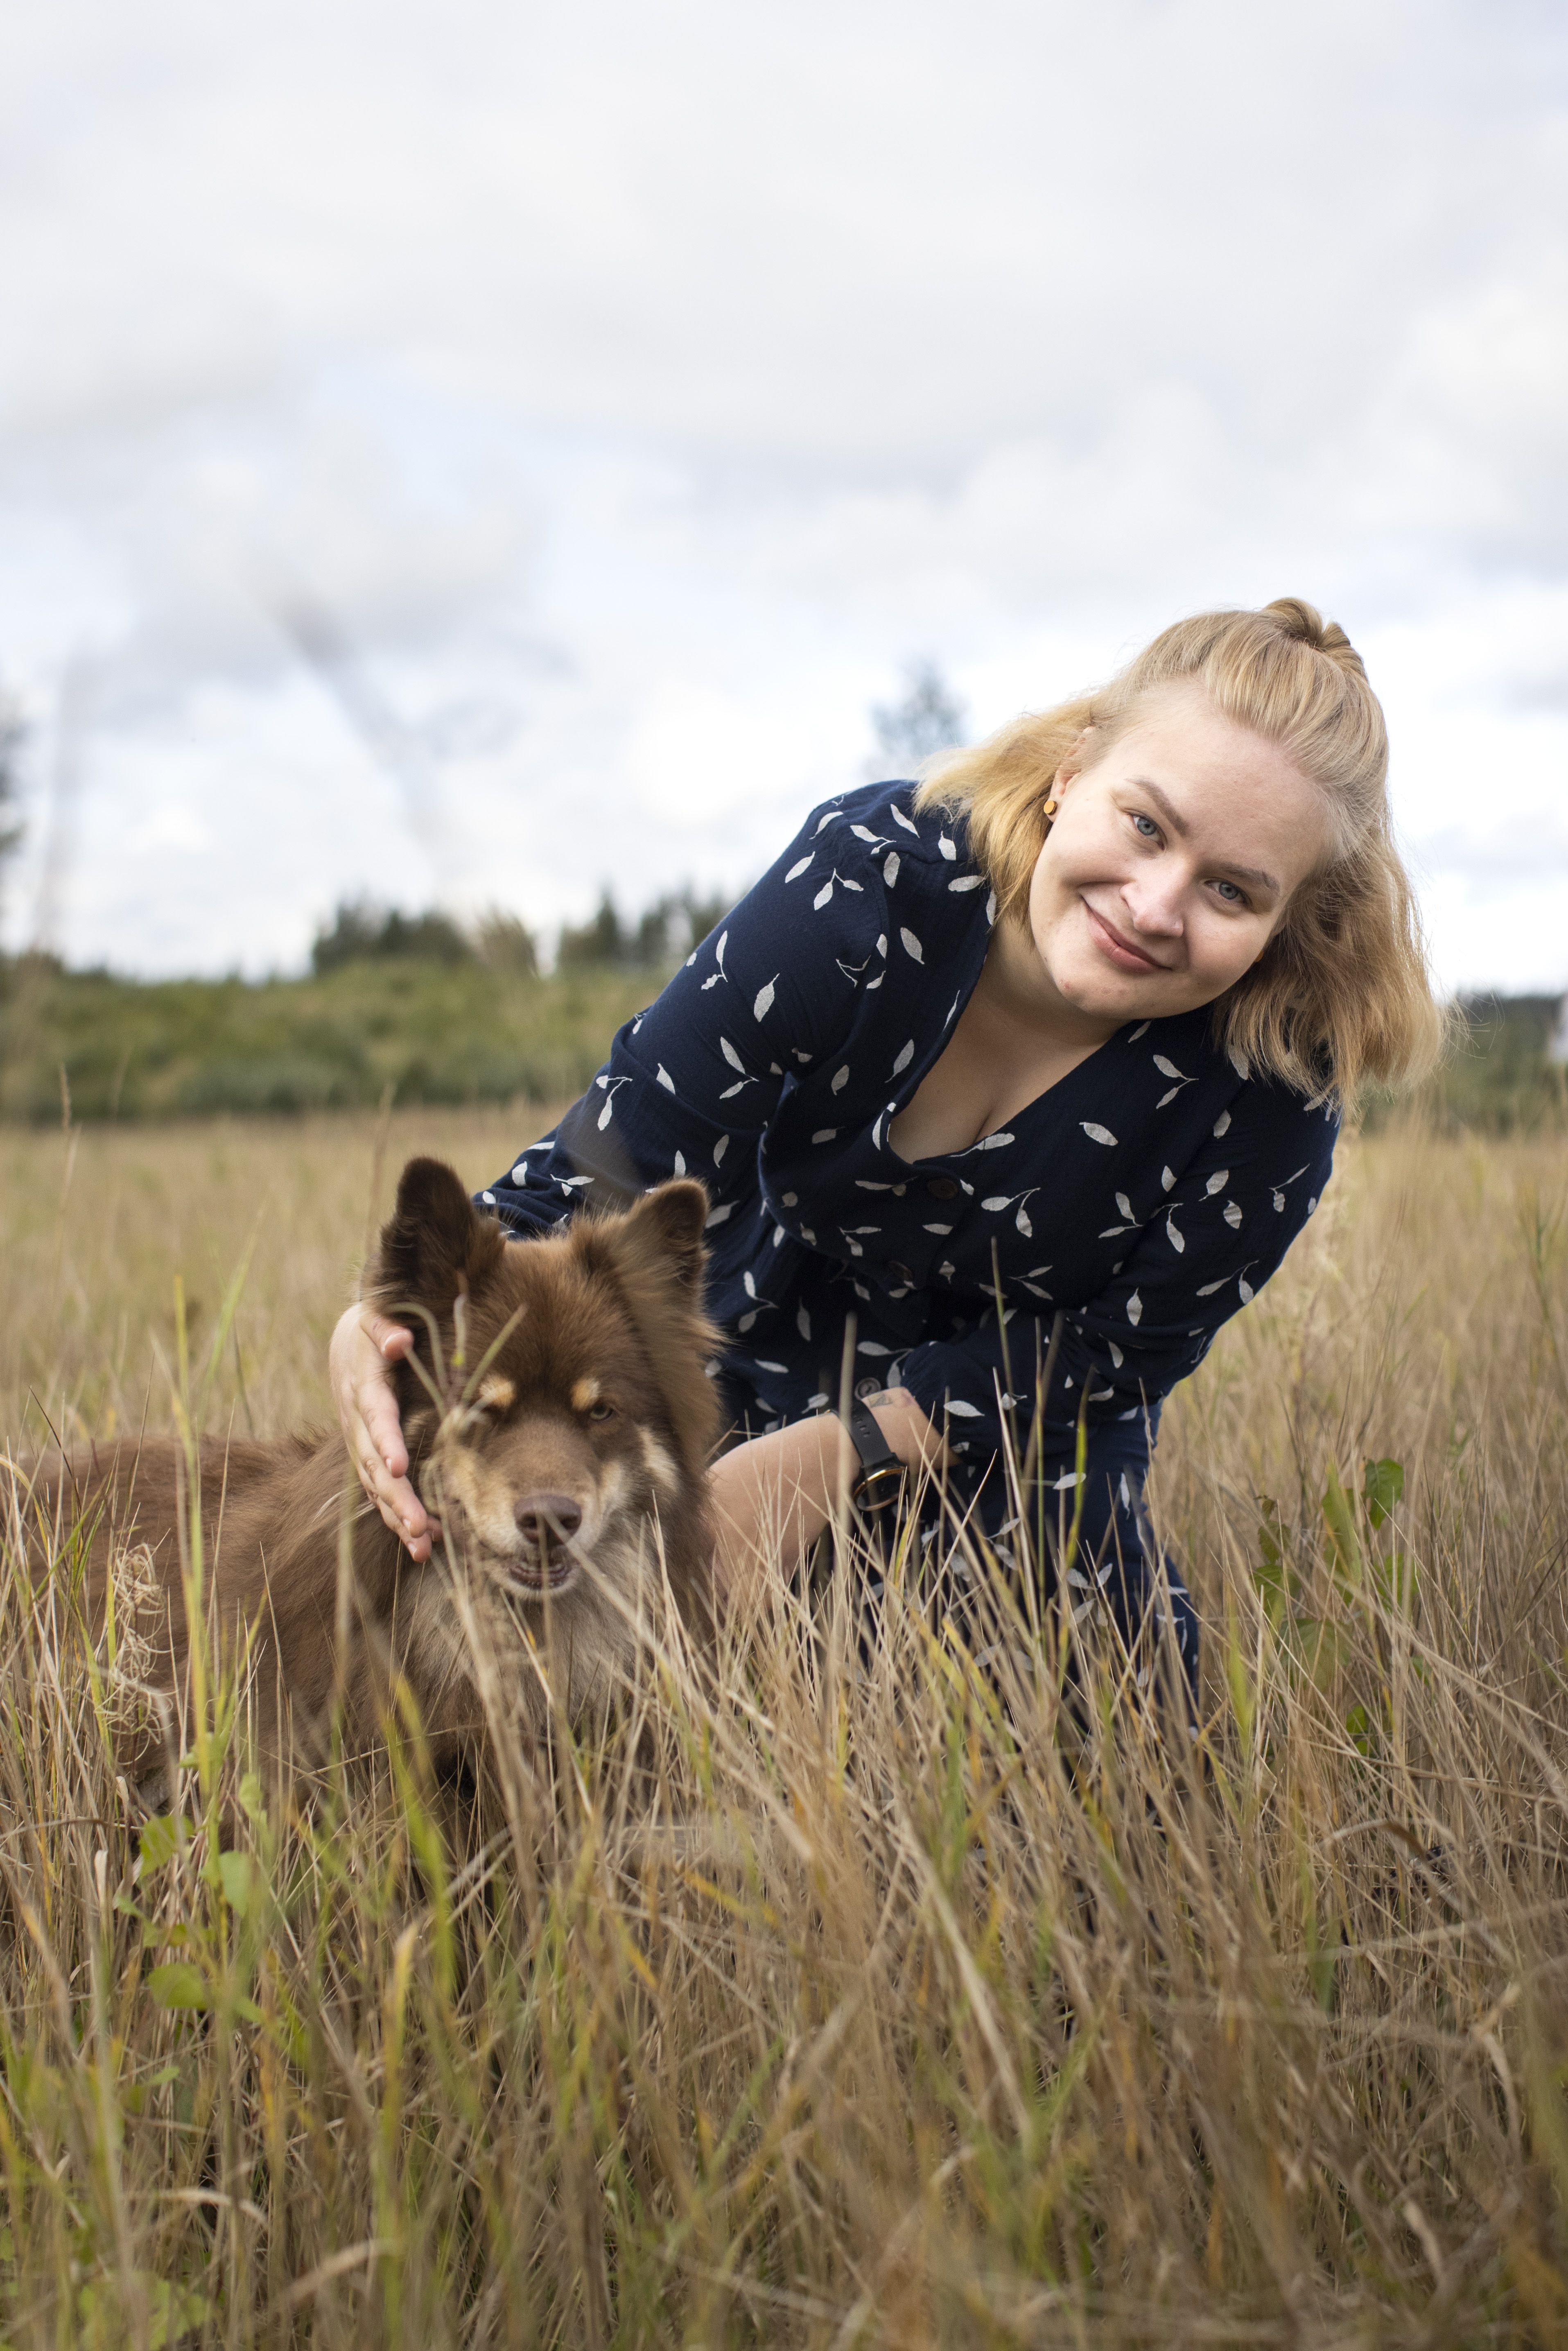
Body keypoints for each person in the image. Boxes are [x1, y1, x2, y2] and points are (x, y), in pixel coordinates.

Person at [330, 598, 1442, 1681]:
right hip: (752, 1341)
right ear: (1071, 772)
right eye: (1146, 825)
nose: (1155, 905)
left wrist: (828, 1461)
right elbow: (617, 1155)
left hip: (1015, 1433)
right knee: (603, 1669)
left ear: (1287, 921)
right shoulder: (873, 882)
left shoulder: (1276, 1081)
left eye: (1232, 891)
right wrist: (380, 1324)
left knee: (1080, 1743)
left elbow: (1118, 1353)